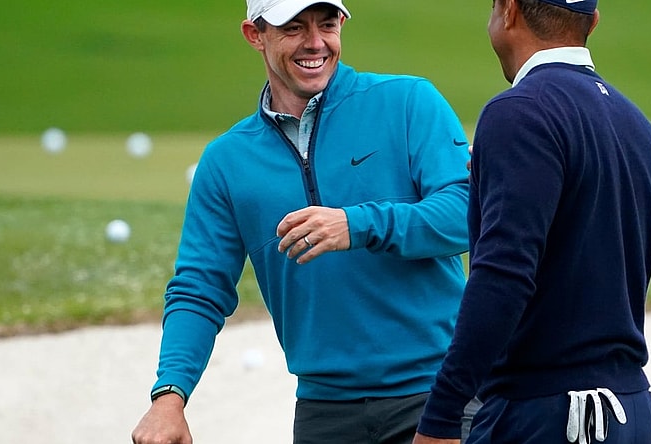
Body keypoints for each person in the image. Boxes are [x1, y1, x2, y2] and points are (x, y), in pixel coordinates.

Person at [131, 0, 472, 443]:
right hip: (324, 412)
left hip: (440, 394)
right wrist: (169, 397)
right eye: (293, 28)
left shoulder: (408, 102)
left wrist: (358, 225)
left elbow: (467, 215)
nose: (315, 43)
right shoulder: (226, 162)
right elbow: (199, 289)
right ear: (255, 35)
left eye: (327, 24)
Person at [413, 0, 651, 443]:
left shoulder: (519, 111)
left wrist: (442, 415)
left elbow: (503, 275)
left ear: (508, 11)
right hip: (630, 411)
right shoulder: (637, 124)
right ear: (592, 20)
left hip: (548, 415)